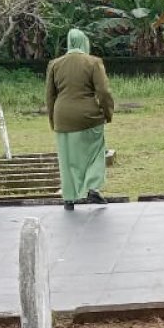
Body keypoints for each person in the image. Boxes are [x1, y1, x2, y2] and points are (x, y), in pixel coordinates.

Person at [45, 28, 114, 211]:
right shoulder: (93, 62)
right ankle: (92, 187)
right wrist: (107, 113)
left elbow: (50, 96)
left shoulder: (54, 64)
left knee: (67, 159)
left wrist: (53, 120)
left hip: (62, 117)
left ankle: (69, 197)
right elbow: (104, 92)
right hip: (88, 117)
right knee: (94, 153)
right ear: (84, 42)